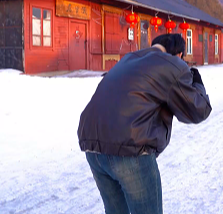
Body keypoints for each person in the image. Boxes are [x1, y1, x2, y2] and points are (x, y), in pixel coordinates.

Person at [77, 33, 212, 214]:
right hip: (130, 150)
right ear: (179, 54)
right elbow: (198, 110)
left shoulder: (128, 59)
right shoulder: (172, 64)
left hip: (92, 146)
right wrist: (196, 81)